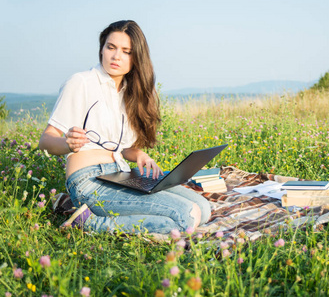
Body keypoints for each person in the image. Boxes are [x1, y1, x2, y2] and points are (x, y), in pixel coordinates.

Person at [39, 20, 211, 234]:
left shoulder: (130, 93)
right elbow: (46, 141)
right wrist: (67, 143)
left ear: (136, 57)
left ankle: (84, 212)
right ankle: (87, 223)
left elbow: (122, 148)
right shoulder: (81, 82)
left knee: (204, 209)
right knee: (186, 216)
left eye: (126, 51)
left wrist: (139, 155)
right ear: (102, 49)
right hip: (89, 180)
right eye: (111, 47)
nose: (116, 56)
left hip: (122, 174)